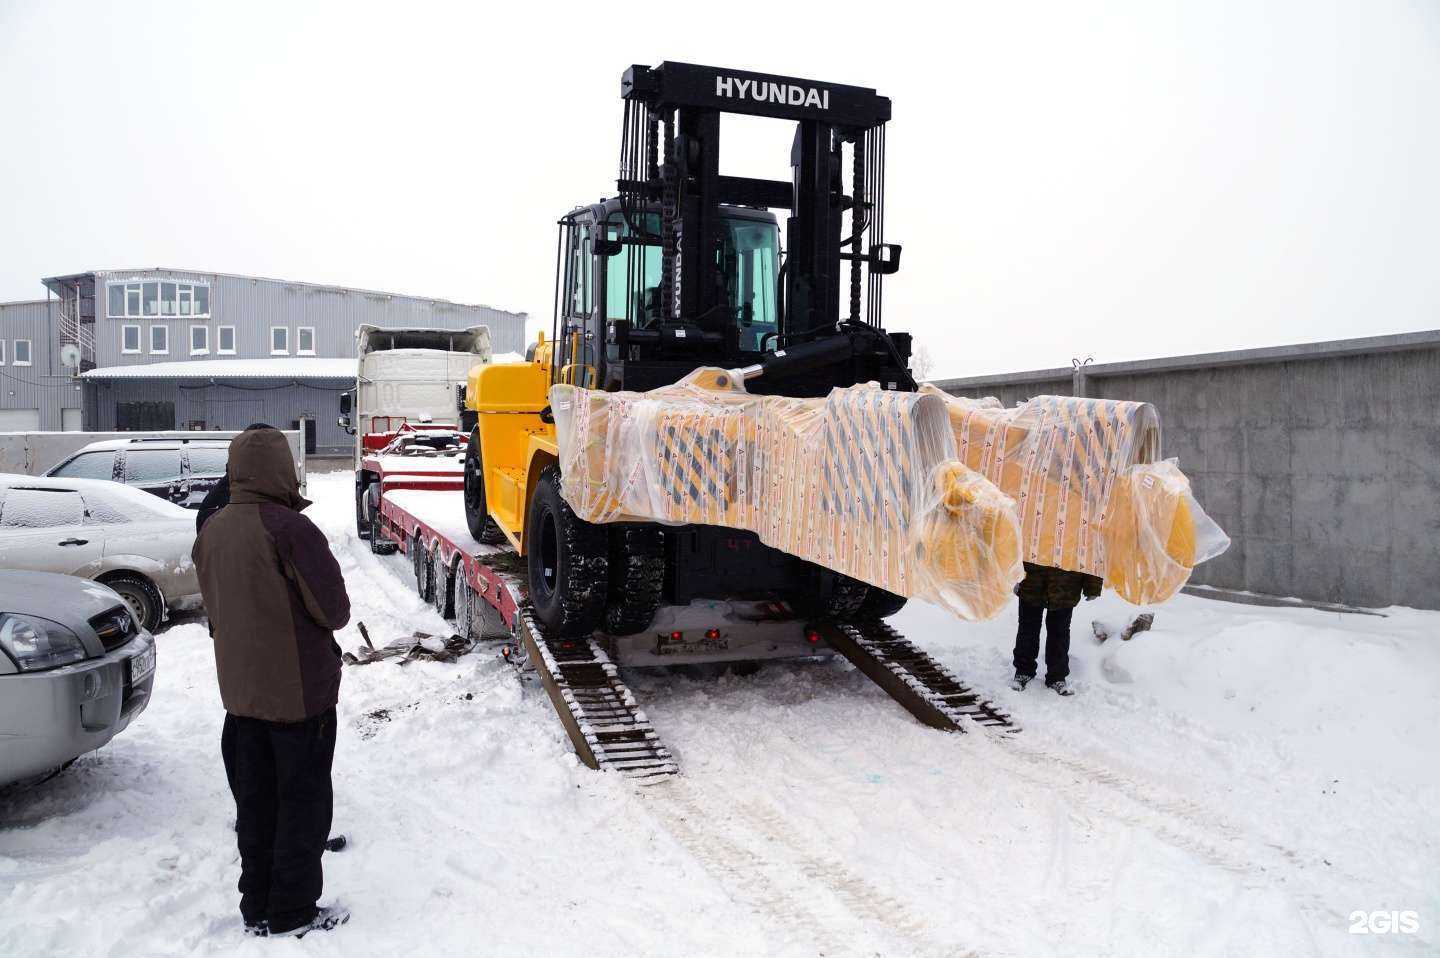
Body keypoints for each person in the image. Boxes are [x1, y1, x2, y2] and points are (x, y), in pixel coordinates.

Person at [192, 426, 352, 939]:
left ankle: (255, 902)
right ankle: (292, 910)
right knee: (301, 805)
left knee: (255, 805)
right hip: (298, 697)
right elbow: (334, 610)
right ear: (284, 469)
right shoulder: (290, 529)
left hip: (240, 697)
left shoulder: (212, 529)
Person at [1010, 562, 1103, 696]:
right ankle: (1023, 671)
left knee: (1060, 632)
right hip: (1032, 580)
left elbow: (1091, 549)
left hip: (1066, 583)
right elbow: (1015, 543)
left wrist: (1093, 584)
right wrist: (1011, 576)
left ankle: (1057, 677)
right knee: (1027, 628)